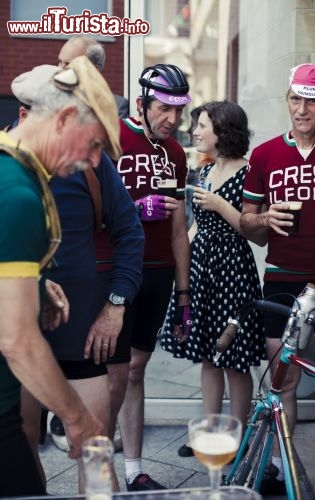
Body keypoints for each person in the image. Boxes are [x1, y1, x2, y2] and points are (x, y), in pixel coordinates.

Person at [11, 64, 145, 492]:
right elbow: (15, 337)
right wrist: (74, 416)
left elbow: (129, 234)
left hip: (79, 335)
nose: (93, 158)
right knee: (21, 447)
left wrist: (115, 305)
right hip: (19, 342)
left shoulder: (83, 168)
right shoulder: (15, 184)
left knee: (96, 455)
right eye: (92, 145)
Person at [240, 63, 315, 499]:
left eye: (311, 100)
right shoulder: (266, 154)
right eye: (295, 98)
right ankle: (284, 470)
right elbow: (248, 223)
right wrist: (264, 219)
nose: (302, 109)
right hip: (282, 278)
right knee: (281, 382)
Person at [97, 63, 192, 491]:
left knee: (136, 371)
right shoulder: (111, 138)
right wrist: (133, 210)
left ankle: (134, 469)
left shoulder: (175, 152)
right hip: (118, 272)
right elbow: (84, 212)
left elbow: (177, 226)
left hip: (159, 275)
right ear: (142, 103)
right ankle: (101, 473)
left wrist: (184, 295)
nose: (172, 118)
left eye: (178, 110)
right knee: (115, 377)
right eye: (163, 108)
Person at [160, 100, 266, 457]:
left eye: (202, 125)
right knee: (208, 355)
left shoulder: (250, 173)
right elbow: (192, 228)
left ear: (222, 131)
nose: (195, 132)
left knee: (234, 359)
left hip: (233, 269)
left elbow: (258, 233)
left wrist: (221, 205)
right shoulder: (203, 173)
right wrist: (180, 272)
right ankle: (208, 431)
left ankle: (236, 437)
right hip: (203, 270)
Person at [58, 35, 129, 118]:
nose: (60, 69)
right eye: (60, 62)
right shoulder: (52, 100)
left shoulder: (116, 106)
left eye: (68, 64)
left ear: (93, 70)